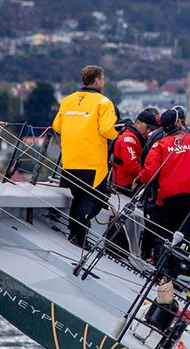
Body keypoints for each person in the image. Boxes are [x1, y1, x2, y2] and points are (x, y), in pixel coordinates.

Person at [135, 107, 190, 262]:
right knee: (186, 235)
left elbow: (150, 170)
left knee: (163, 233)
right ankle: (176, 269)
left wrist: (138, 180)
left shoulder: (160, 145)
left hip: (168, 198)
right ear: (178, 122)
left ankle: (160, 267)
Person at [52, 65, 118, 247]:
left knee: (77, 199)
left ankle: (74, 233)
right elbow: (106, 129)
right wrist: (117, 136)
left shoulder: (67, 101)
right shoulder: (103, 102)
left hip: (70, 161)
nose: (103, 82)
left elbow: (56, 126)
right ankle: (78, 237)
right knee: (92, 202)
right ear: (97, 81)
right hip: (93, 163)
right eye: (102, 79)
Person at [111, 109, 158, 195]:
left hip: (132, 183)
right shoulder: (128, 139)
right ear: (137, 123)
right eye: (147, 127)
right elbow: (132, 166)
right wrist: (147, 175)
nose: (148, 131)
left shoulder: (136, 138)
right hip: (125, 186)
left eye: (151, 129)